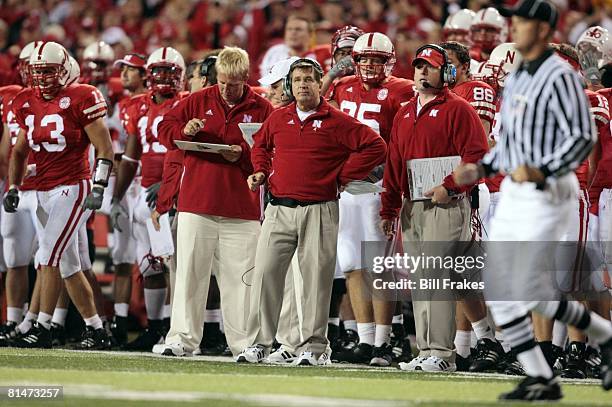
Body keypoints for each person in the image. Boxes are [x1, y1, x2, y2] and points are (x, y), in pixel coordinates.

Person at [453, 0, 612, 400]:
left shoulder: (561, 76)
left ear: (543, 29)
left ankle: (594, 342)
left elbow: (581, 138)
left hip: (549, 190)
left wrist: (543, 169)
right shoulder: (519, 76)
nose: (515, 29)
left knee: (539, 283)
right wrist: (482, 167)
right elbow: (511, 143)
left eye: (522, 22)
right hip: (514, 191)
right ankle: (543, 374)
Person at [238, 58, 386, 366]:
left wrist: (342, 176)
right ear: (290, 85)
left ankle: (314, 347)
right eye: (298, 79)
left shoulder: (337, 119)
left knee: (315, 283)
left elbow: (375, 147)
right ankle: (260, 344)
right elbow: (260, 146)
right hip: (279, 208)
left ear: (320, 84)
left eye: (309, 78)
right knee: (265, 275)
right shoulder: (279, 118)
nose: (303, 84)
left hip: (319, 209)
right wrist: (260, 171)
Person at [157, 46, 273, 357]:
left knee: (242, 281)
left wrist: (243, 155)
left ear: (245, 79)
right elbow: (164, 131)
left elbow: (274, 153)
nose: (225, 89)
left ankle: (245, 343)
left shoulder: (263, 109)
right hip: (197, 202)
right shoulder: (196, 100)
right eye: (221, 82)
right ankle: (181, 338)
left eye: (232, 84)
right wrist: (184, 129)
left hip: (242, 207)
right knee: (189, 275)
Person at [380, 44, 489, 373]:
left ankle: (442, 353)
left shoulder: (459, 109)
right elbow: (395, 164)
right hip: (413, 205)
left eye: (430, 66)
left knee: (437, 275)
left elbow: (478, 156)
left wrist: (450, 186)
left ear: (448, 73)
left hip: (448, 204)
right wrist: (389, 209)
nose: (422, 71)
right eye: (418, 66)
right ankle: (426, 349)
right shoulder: (404, 112)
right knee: (421, 278)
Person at [8, 41, 113, 349]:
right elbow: (18, 151)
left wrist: (99, 187)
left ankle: (42, 327)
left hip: (73, 186)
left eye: (50, 72)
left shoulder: (81, 96)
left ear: (65, 70)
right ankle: (97, 329)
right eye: (38, 72)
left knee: (49, 255)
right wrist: (14, 186)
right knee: (69, 266)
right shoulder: (25, 101)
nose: (43, 78)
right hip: (42, 190)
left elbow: (105, 148)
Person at [329, 32, 414, 367]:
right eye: (364, 58)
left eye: (376, 59)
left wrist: (390, 177)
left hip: (378, 185)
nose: (368, 65)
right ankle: (365, 339)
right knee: (351, 262)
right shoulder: (342, 86)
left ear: (387, 61)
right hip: (349, 186)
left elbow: (406, 137)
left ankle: (383, 340)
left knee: (378, 265)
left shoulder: (402, 90)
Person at [111, 46, 186, 351]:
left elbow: (187, 151)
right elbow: (130, 158)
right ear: (149, 75)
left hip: (172, 195)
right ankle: (154, 328)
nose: (164, 78)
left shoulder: (187, 104)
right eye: (158, 71)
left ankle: (173, 328)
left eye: (170, 71)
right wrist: (116, 198)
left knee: (171, 263)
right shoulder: (134, 106)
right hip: (144, 191)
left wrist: (172, 185)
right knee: (150, 266)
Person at [0, 41, 40, 346]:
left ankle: (42, 322)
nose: (35, 74)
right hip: (18, 187)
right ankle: (14, 319)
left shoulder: (67, 98)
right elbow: (8, 146)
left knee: (48, 259)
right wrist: (10, 178)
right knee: (14, 255)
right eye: (30, 67)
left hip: (51, 186)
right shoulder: (10, 96)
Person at [107, 52, 148, 346]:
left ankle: (160, 322)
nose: (124, 75)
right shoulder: (120, 105)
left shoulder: (156, 104)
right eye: (123, 70)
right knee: (121, 256)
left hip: (144, 180)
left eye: (131, 70)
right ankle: (119, 320)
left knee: (154, 259)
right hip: (122, 180)